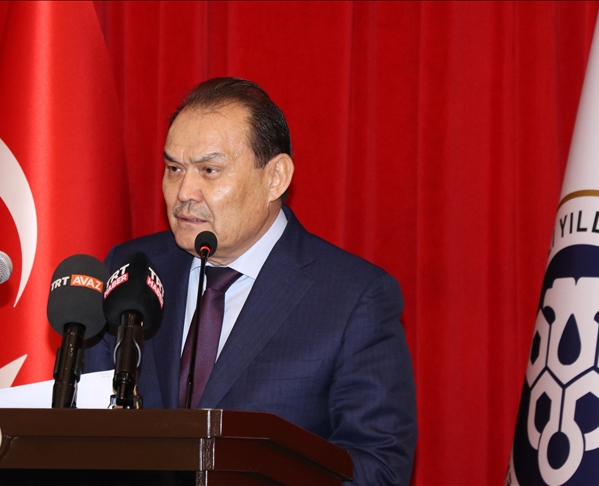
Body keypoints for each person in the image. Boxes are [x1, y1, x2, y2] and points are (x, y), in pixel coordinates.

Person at [85, 77, 417, 485]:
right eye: (174, 169)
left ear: (275, 177)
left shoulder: (353, 298)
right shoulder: (133, 270)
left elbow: (378, 467)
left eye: (209, 170)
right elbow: (79, 431)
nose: (184, 192)